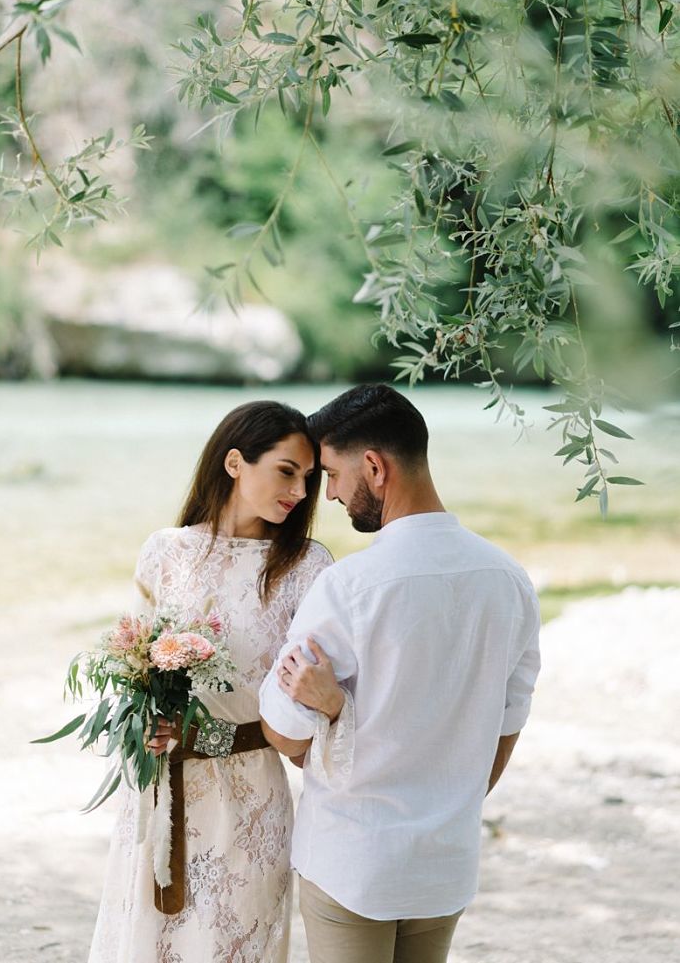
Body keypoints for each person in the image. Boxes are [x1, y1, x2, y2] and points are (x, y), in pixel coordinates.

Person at [259, 384, 542, 963]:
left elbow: (285, 732)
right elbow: (507, 725)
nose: (331, 495)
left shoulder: (350, 587)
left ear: (374, 467)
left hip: (353, 861)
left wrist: (335, 710)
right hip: (444, 862)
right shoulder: (509, 580)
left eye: (333, 475)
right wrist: (447, 801)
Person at [87, 400, 334, 963]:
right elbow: (136, 666)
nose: (299, 491)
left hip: (250, 788)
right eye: (286, 470)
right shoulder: (165, 552)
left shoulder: (308, 567)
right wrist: (144, 725)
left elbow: (312, 695)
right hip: (160, 786)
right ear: (234, 463)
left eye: (310, 478)